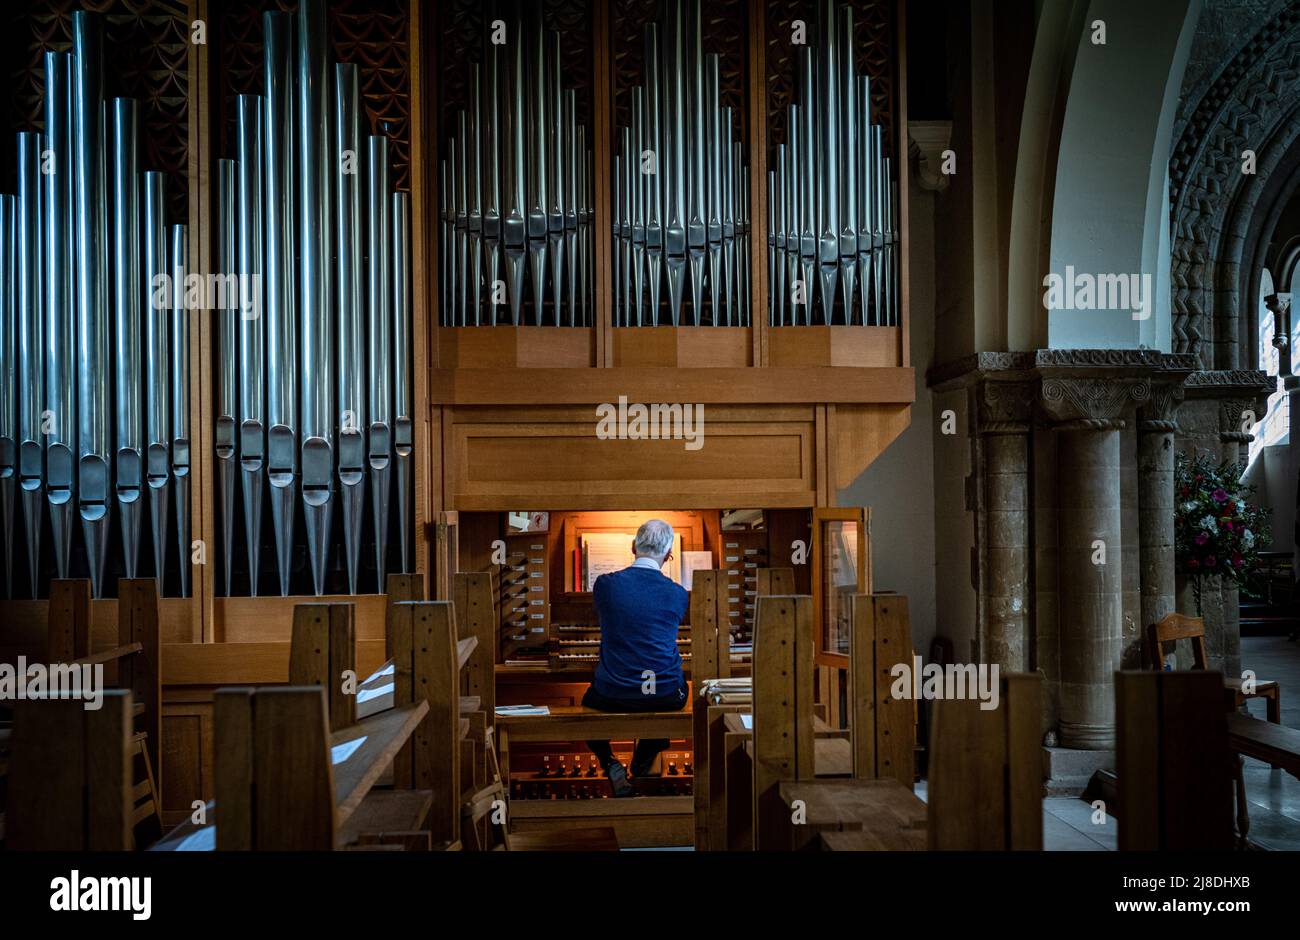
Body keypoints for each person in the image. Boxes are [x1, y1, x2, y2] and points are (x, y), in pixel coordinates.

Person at [583, 519, 689, 797]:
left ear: (633, 547)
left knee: (587, 702)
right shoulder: (678, 593)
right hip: (664, 692)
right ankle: (643, 759)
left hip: (614, 692)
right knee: (672, 695)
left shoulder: (605, 585)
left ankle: (609, 761)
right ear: (668, 555)